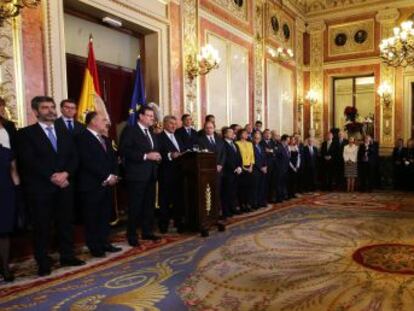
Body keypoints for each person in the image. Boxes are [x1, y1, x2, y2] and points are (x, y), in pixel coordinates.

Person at [17, 96, 85, 276]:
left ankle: (67, 255)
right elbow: (28, 161)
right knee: (42, 226)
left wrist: (66, 174)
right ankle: (43, 261)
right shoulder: (26, 134)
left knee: (66, 223)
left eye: (52, 107)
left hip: (64, 186)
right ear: (36, 111)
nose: (50, 110)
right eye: (45, 108)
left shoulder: (64, 132)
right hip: (41, 189)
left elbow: (74, 157)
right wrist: (51, 176)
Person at [76, 111, 121, 257]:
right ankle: (94, 246)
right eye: (103, 120)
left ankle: (105, 242)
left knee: (104, 216)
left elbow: (113, 159)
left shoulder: (105, 139)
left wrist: (113, 175)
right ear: (93, 122)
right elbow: (87, 162)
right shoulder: (82, 138)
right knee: (92, 217)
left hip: (107, 184)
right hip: (91, 185)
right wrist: (107, 176)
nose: (106, 123)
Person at [119, 106, 162, 247]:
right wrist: (145, 156)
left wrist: (157, 156)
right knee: (135, 206)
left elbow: (153, 150)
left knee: (148, 205)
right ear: (140, 117)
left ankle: (147, 231)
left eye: (152, 116)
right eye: (149, 115)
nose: (152, 118)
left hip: (150, 174)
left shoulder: (151, 132)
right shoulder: (130, 130)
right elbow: (124, 150)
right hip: (136, 175)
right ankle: (131, 235)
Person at [157, 115, 185, 233]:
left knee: (178, 200)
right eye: (171, 123)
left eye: (175, 123)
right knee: (165, 201)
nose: (174, 126)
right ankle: (163, 225)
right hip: (166, 174)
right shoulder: (158, 137)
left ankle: (178, 223)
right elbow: (157, 153)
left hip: (179, 174)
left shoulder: (178, 137)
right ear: (164, 124)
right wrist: (169, 155)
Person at [221, 127, 242, 218]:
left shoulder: (235, 144)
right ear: (225, 134)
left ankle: (232, 208)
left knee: (233, 192)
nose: (233, 133)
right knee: (226, 192)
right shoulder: (223, 144)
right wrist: (234, 168)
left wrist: (240, 166)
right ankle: (226, 211)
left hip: (236, 172)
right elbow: (225, 159)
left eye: (233, 132)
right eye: (230, 132)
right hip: (228, 172)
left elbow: (239, 156)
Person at [235, 129, 254, 212]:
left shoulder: (250, 144)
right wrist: (244, 168)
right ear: (240, 134)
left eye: (247, 133)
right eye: (244, 133)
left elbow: (252, 156)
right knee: (241, 188)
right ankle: (242, 205)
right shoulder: (237, 143)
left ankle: (247, 204)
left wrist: (251, 167)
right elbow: (238, 157)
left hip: (249, 167)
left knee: (249, 187)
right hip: (241, 168)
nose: (246, 134)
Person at [260, 129, 277, 202]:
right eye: (266, 133)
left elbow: (276, 150)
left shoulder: (273, 142)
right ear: (263, 135)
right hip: (265, 165)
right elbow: (263, 152)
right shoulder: (261, 142)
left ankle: (271, 197)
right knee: (265, 182)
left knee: (272, 182)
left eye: (269, 134)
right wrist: (271, 151)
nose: (268, 135)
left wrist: (270, 151)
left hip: (273, 165)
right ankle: (265, 198)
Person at [252, 131, 267, 209]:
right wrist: (260, 167)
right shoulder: (251, 146)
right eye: (255, 138)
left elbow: (264, 157)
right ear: (253, 138)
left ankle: (261, 202)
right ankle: (255, 203)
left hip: (263, 170)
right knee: (255, 188)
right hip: (255, 170)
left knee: (262, 187)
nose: (257, 139)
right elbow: (253, 159)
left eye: (258, 138)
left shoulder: (261, 146)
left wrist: (265, 166)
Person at [276, 134, 290, 202]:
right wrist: (279, 168)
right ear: (283, 140)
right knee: (279, 184)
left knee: (284, 183)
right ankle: (279, 198)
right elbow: (277, 159)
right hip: (280, 169)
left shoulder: (286, 147)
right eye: (287, 141)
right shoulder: (279, 147)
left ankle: (284, 196)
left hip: (285, 168)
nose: (288, 142)